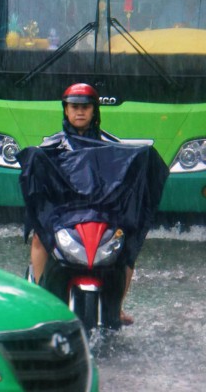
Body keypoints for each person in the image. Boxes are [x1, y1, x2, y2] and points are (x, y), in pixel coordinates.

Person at [27, 83, 136, 326]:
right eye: (74, 107)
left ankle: (118, 307)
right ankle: (40, 299)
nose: (79, 112)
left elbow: (126, 178)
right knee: (38, 238)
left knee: (130, 242)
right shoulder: (50, 147)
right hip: (64, 215)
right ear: (65, 110)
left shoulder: (113, 146)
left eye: (85, 107)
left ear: (94, 110)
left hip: (101, 213)